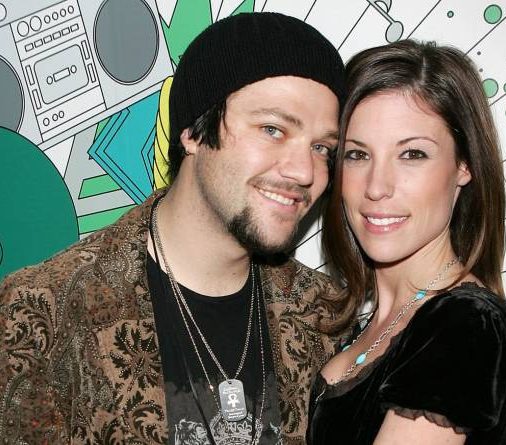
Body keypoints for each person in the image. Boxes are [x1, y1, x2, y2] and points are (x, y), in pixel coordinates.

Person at [0, 13, 347, 444]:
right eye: (273, 129)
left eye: (322, 148)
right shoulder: (41, 314)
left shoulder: (326, 315)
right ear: (194, 133)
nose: (305, 171)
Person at [307, 40, 506, 445]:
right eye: (357, 155)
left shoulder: (466, 324)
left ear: (464, 164)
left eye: (412, 154)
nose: (377, 187)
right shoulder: (374, 324)